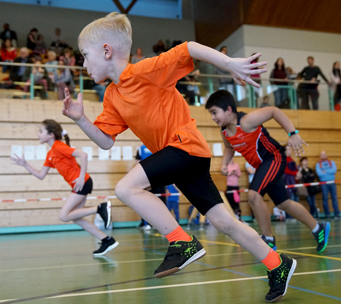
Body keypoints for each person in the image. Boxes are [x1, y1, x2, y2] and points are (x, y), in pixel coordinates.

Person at [62, 12, 297, 302]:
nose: (83, 64)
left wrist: (228, 63)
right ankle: (277, 264)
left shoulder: (146, 70)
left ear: (106, 51)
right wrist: (80, 119)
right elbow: (106, 141)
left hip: (185, 148)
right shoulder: (112, 96)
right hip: (181, 159)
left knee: (126, 188)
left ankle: (182, 243)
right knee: (224, 222)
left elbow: (188, 48)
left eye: (85, 55)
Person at [206, 90, 330, 253]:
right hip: (263, 166)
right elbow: (229, 147)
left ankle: (268, 240)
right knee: (283, 203)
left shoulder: (246, 122)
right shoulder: (224, 131)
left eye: (215, 112)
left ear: (228, 110)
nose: (213, 117)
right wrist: (224, 163)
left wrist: (293, 134)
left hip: (274, 158)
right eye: (211, 114)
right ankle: (318, 228)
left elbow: (273, 111)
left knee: (253, 195)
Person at [10, 119, 118, 256]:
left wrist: (81, 176)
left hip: (82, 182)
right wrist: (25, 164)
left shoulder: (59, 146)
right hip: (81, 184)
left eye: (40, 131)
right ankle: (106, 240)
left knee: (63, 215)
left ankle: (100, 208)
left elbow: (83, 155)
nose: (38, 134)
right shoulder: (51, 154)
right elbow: (41, 175)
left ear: (50, 135)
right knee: (76, 218)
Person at [135, 144, 167, 229]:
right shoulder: (158, 146)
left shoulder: (141, 148)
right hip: (158, 177)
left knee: (146, 201)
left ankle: (147, 223)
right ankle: (161, 223)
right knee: (160, 201)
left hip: (147, 178)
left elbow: (137, 163)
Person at [316, 151, 340, 218]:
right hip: (324, 183)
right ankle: (327, 214)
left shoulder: (332, 162)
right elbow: (319, 173)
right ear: (320, 156)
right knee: (325, 198)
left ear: (326, 155)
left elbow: (334, 170)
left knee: (334, 198)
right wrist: (329, 171)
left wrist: (325, 171)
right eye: (321, 154)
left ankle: (337, 213)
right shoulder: (318, 164)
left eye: (324, 154)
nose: (323, 156)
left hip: (332, 182)